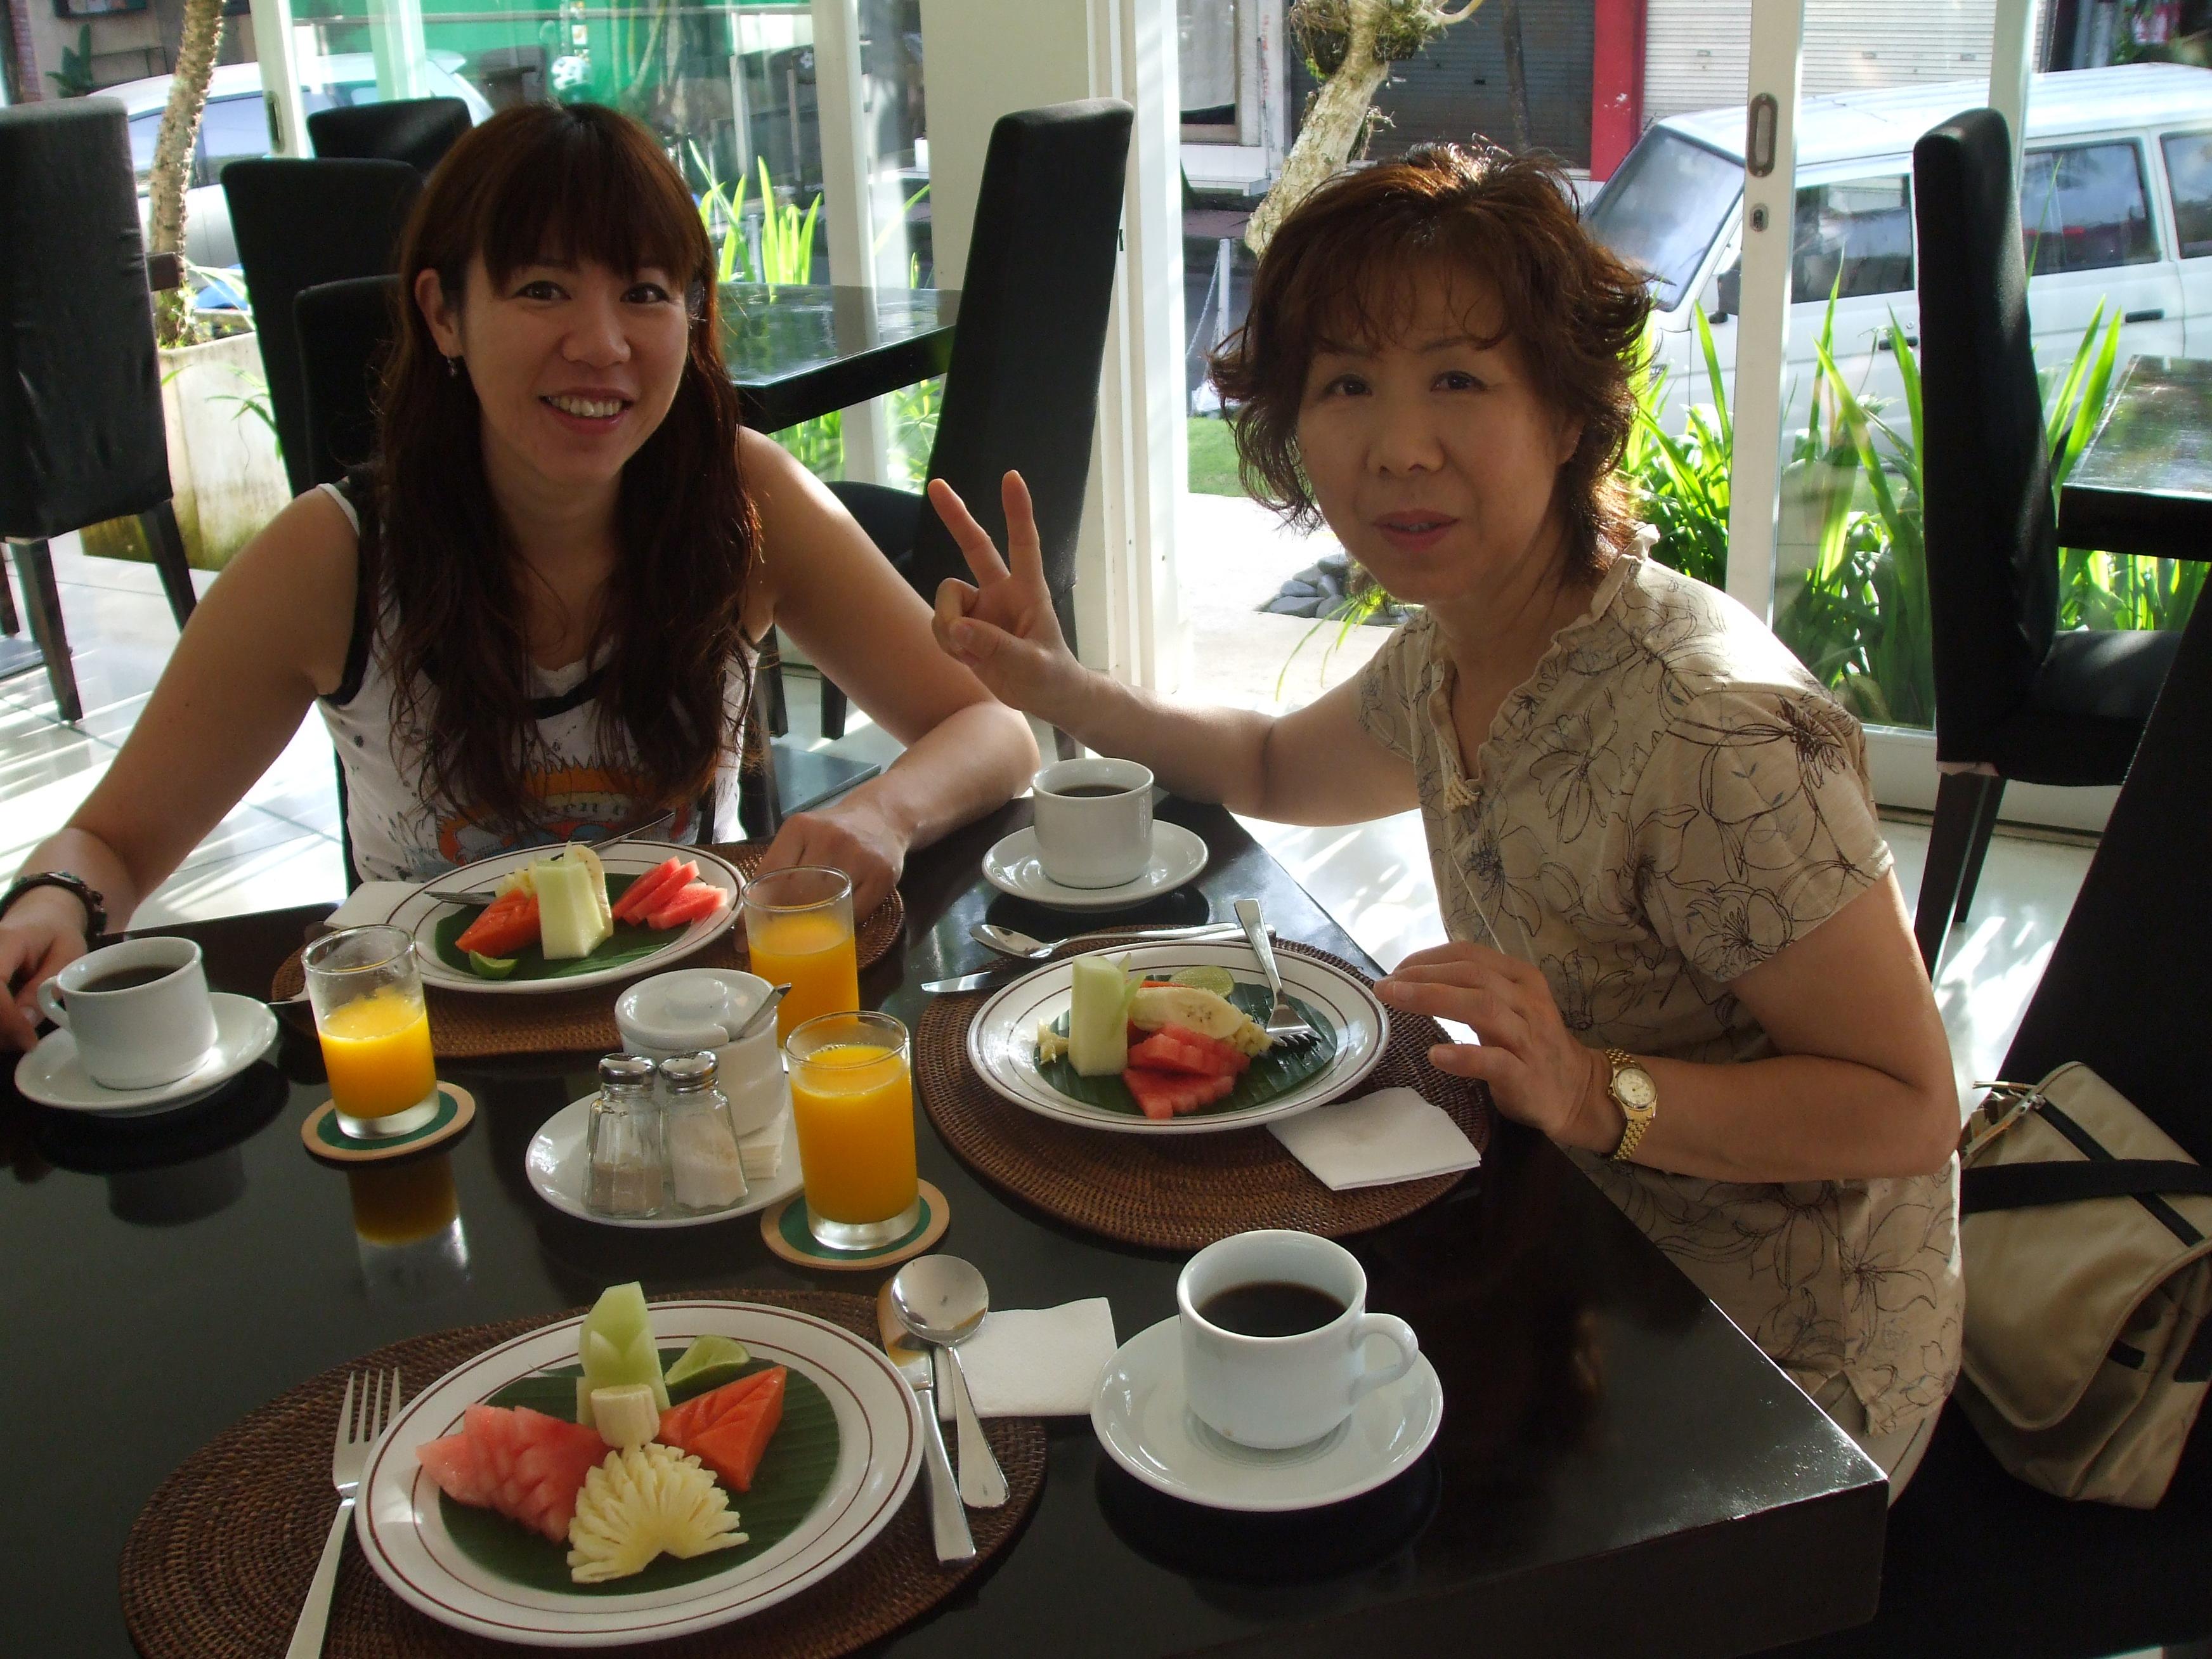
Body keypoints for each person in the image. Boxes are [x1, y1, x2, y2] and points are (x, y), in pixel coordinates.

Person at [927, 145, 1962, 1493]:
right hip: (1572, 1242)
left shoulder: (1711, 732)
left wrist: (1588, 1089)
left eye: (1460, 380)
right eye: (1347, 384)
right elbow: (1269, 763)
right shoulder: (1458, 646)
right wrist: (1061, 687)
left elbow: (1909, 1107)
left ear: (1570, 414)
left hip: (1774, 1365)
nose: (1398, 447)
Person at [0, 103, 1036, 1048]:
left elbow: (992, 728)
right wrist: (53, 901)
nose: (603, 344)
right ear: (443, 313)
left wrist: (882, 811)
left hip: (692, 1033)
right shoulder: (337, 556)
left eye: (645, 293)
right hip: (434, 1066)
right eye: (543, 289)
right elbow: (108, 846)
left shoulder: (740, 500)